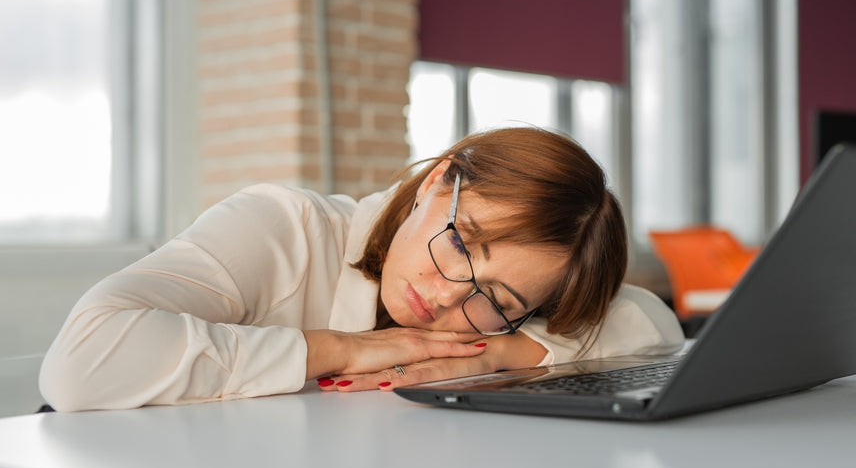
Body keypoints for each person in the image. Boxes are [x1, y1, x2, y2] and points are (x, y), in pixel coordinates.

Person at [39, 127, 684, 411]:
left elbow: (652, 326)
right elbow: (80, 362)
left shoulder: (497, 329)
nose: (445, 295)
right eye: (463, 244)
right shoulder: (284, 228)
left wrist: (503, 354)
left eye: (495, 297)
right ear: (438, 181)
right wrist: (342, 350)